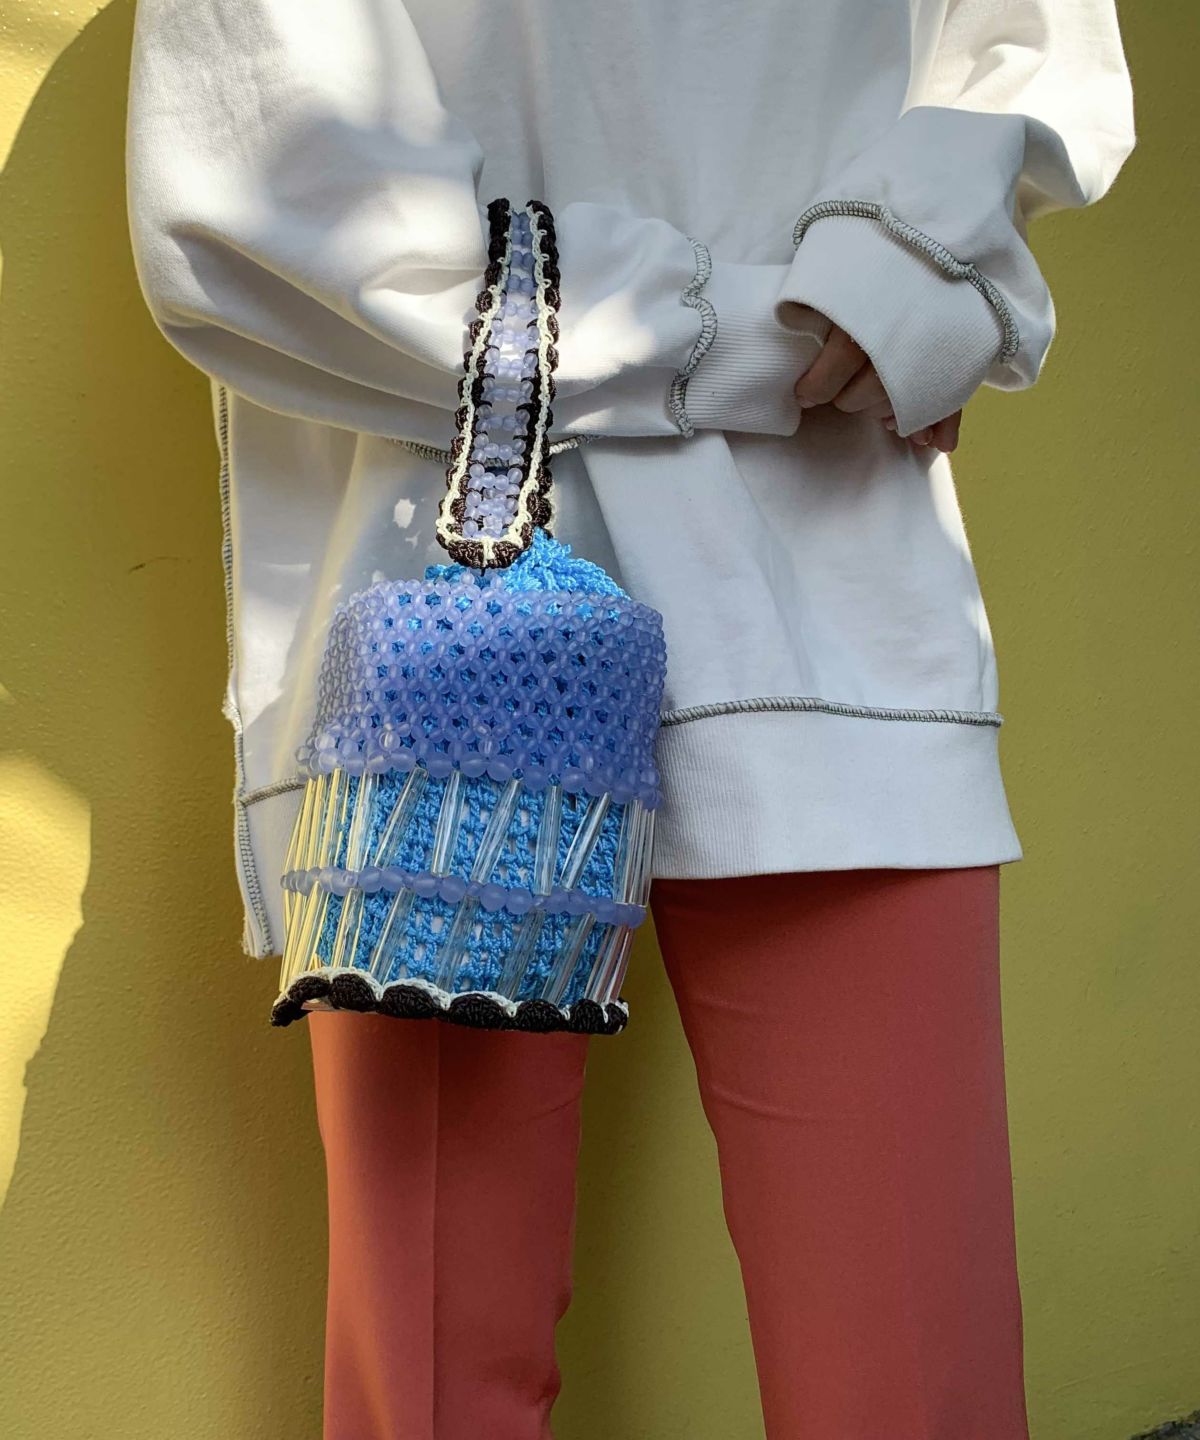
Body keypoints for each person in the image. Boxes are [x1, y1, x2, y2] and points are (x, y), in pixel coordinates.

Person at [125, 2, 1135, 1435]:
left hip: (801, 592)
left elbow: (1028, 47)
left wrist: (914, 266)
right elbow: (257, 197)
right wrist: (784, 325)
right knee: (438, 1367)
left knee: (907, 1356)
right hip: (467, 637)